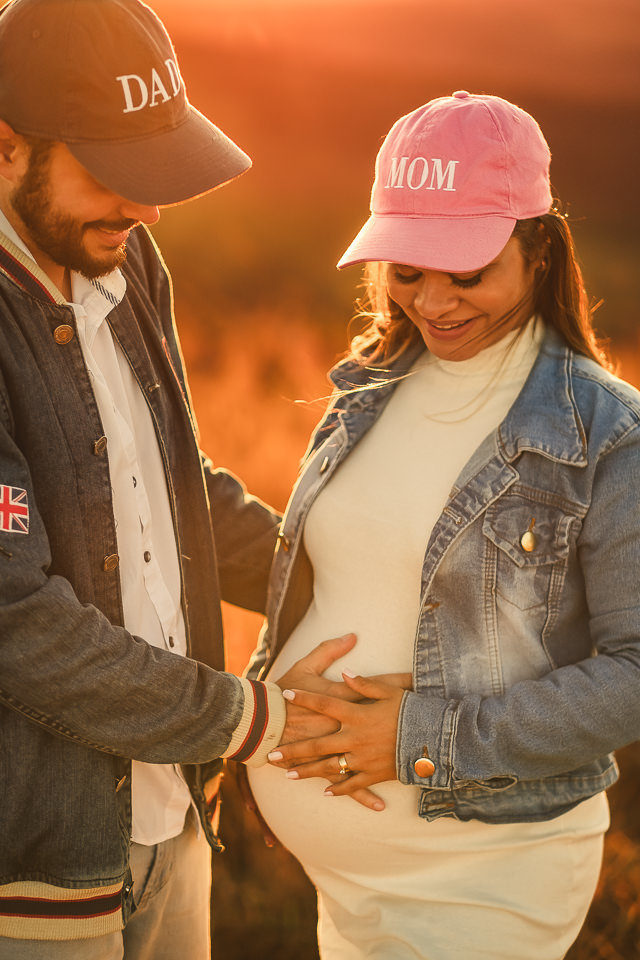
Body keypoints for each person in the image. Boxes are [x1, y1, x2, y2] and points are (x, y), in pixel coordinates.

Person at [246, 91, 640, 959]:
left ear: (539, 251)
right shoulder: (367, 387)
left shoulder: (608, 434)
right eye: (408, 270)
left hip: (485, 874)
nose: (434, 303)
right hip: (348, 889)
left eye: (468, 274)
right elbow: (321, 578)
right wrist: (264, 723)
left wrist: (418, 738)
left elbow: (635, 673)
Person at [0, 0, 356, 957]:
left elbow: (168, 483)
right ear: (6, 146)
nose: (148, 209)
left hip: (176, 828)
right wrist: (249, 719)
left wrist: (340, 570)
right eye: (114, 172)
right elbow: (17, 622)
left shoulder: (124, 255)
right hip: (37, 873)